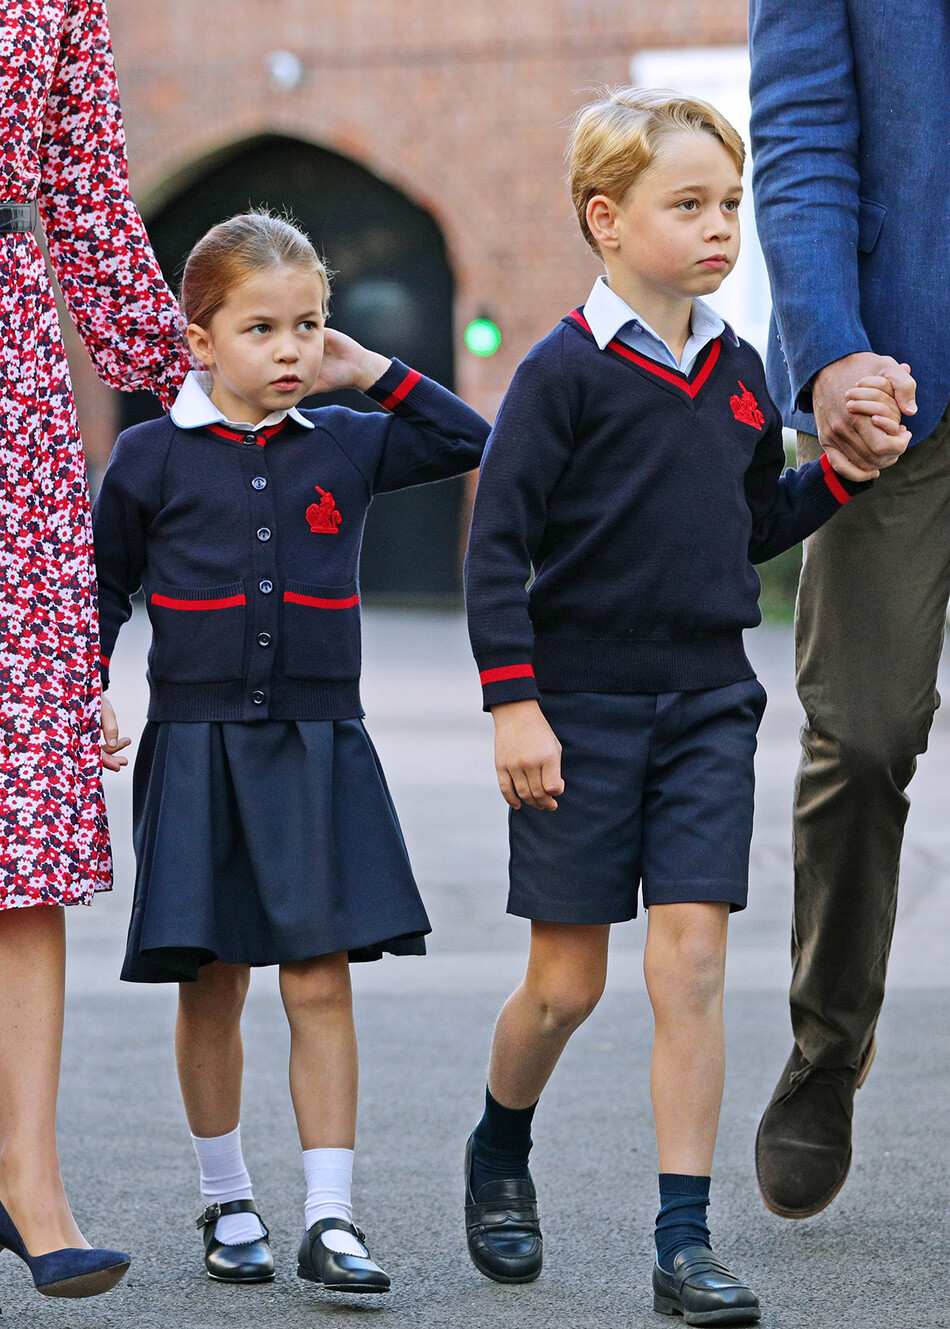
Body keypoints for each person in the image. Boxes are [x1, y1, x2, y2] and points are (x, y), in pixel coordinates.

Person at [462, 87, 906, 1327]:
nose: (721, 227)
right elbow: (494, 556)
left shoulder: (741, 367)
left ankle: (682, 1243)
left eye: (730, 204)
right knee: (564, 987)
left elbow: (748, 524)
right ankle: (498, 1149)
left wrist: (834, 478)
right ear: (605, 219)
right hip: (578, 713)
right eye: (688, 205)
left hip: (709, 703)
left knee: (694, 966)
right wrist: (513, 708)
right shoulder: (557, 375)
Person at [92, 211, 488, 1294]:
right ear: (198, 339)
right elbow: (103, 585)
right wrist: (85, 685)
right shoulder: (148, 455)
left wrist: (370, 369)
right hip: (196, 745)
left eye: (308, 325)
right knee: (211, 980)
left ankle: (329, 1217)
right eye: (261, 327)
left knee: (318, 980)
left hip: (319, 745)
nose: (289, 349)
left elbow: (470, 445)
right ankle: (227, 1201)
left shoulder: (350, 441)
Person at [0, 0, 192, 1305]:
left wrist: (191, 378)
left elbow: (85, 186)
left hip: (8, 389)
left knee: (21, 801)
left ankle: (29, 1175)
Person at [748, 0, 948, 1221]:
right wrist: (827, 349)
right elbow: (805, 126)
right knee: (861, 734)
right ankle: (827, 1050)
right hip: (899, 375)